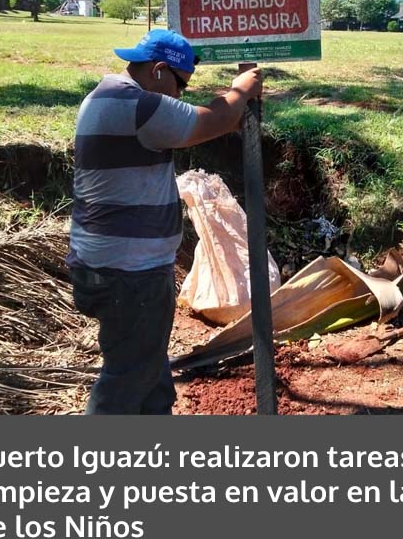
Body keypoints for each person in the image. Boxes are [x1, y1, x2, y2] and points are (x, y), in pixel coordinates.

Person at [67, 28, 263, 413]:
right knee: (125, 381)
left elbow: (210, 118)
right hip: (130, 274)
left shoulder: (105, 96)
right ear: (158, 70)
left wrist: (228, 109)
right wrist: (240, 90)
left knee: (148, 370)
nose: (180, 96)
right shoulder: (137, 106)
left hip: (107, 267)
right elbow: (214, 120)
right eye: (181, 85)